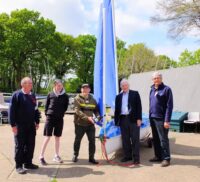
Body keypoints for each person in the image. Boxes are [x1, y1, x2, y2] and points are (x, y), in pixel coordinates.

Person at [9, 77, 41, 174]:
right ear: (23, 84)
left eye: (31, 83)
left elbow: (35, 109)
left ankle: (28, 163)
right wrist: (13, 125)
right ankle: (19, 165)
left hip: (31, 125)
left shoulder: (32, 95)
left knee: (31, 145)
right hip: (20, 125)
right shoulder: (16, 95)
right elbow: (11, 111)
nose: (31, 85)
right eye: (29, 83)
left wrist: (37, 121)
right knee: (20, 146)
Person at [39, 79, 69, 165]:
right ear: (54, 86)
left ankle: (56, 156)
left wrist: (60, 114)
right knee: (47, 137)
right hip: (50, 117)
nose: (60, 87)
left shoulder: (65, 96)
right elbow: (46, 106)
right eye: (58, 85)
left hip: (59, 118)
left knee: (57, 137)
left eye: (61, 85)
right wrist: (48, 114)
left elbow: (65, 107)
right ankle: (41, 156)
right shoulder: (50, 94)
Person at [114, 79, 142, 166]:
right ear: (120, 87)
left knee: (135, 139)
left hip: (133, 119)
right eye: (122, 85)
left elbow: (139, 107)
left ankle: (136, 158)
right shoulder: (118, 96)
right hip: (123, 119)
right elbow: (117, 110)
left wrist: (139, 119)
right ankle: (127, 156)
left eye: (126, 85)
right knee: (125, 139)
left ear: (128, 85)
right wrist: (116, 121)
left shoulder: (135, 93)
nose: (124, 87)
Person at [149, 72, 173, 167]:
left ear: (161, 79)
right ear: (152, 80)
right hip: (153, 118)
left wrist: (167, 120)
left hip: (161, 119)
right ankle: (158, 156)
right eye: (154, 78)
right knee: (155, 139)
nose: (156, 80)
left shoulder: (167, 89)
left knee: (163, 139)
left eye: (158, 78)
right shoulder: (151, 89)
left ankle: (166, 158)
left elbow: (169, 106)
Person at [72, 83, 100, 164]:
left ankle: (91, 158)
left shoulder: (93, 100)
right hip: (80, 124)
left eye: (87, 88)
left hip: (90, 125)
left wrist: (98, 117)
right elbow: (77, 111)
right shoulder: (77, 98)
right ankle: (75, 155)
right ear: (81, 90)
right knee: (78, 140)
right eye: (83, 88)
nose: (85, 90)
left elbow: (96, 110)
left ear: (89, 90)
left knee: (92, 141)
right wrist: (87, 118)